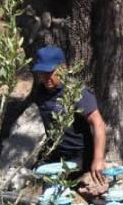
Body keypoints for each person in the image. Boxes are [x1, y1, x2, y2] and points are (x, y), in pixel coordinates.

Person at [31, 45, 108, 193]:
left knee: (61, 191)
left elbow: (98, 124)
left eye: (49, 72)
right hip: (56, 153)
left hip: (80, 155)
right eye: (42, 73)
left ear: (62, 69)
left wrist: (98, 159)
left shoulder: (77, 91)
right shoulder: (40, 92)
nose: (45, 78)